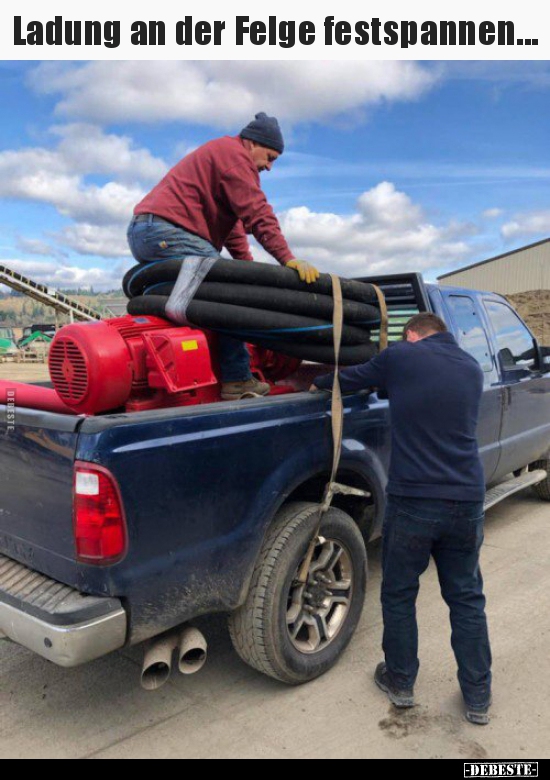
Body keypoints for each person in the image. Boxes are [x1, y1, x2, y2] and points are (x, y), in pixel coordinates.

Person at [311, 313, 492, 725]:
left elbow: (346, 380)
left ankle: (400, 681)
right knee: (465, 598)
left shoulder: (400, 358)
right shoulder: (470, 368)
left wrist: (315, 382)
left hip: (415, 500)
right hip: (466, 499)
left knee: (399, 593)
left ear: (411, 335)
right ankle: (478, 697)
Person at [127, 112, 319, 401]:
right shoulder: (235, 158)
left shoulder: (222, 157)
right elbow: (258, 213)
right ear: (253, 143)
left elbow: (233, 230)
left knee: (197, 297)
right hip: (168, 231)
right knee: (227, 299)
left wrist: (248, 273)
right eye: (269, 157)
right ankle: (238, 379)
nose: (268, 167)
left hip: (148, 232)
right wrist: (287, 259)